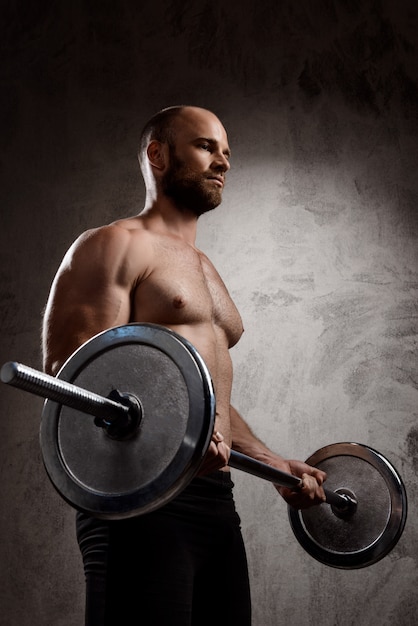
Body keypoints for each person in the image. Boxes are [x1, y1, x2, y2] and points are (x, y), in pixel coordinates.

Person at [42, 105, 326, 626]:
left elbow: (202, 395)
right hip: (138, 503)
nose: (223, 162)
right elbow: (73, 372)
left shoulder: (205, 268)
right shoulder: (114, 245)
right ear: (158, 155)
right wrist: (174, 438)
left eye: (226, 152)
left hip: (214, 499)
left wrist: (269, 460)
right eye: (205, 146)